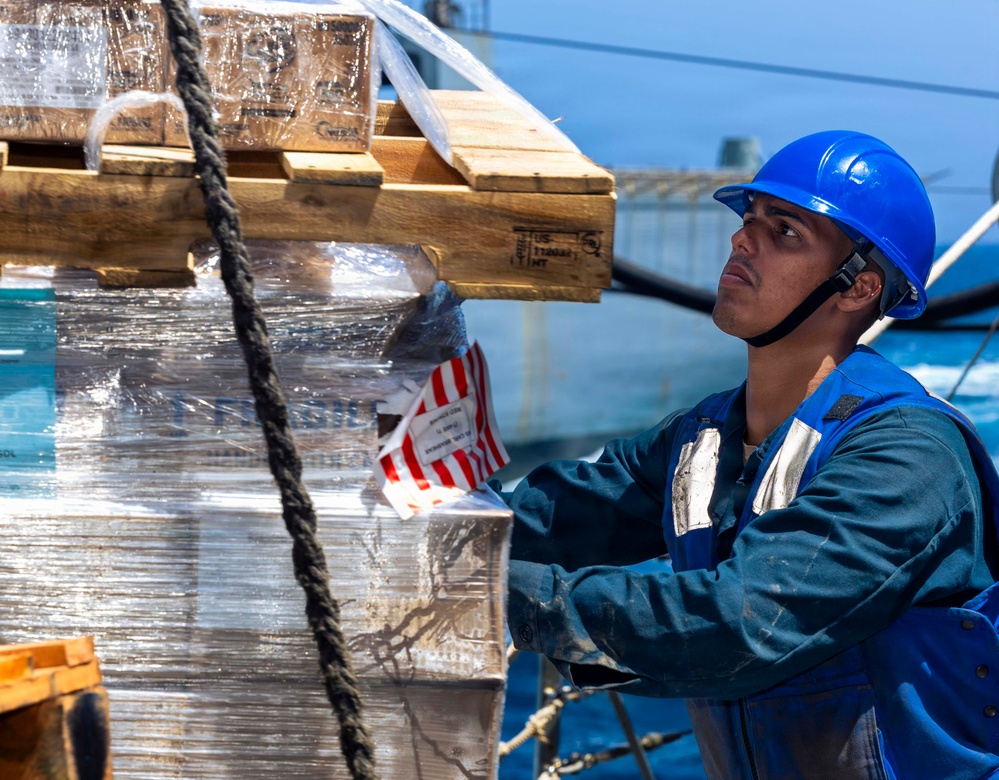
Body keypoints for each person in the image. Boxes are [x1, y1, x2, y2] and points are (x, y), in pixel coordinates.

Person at [502, 130, 999, 779]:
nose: (742, 239)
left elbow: (741, 625)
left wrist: (497, 597)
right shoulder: (703, 437)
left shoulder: (907, 456)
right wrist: (408, 535)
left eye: (784, 230)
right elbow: (552, 518)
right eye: (749, 219)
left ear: (856, 287)